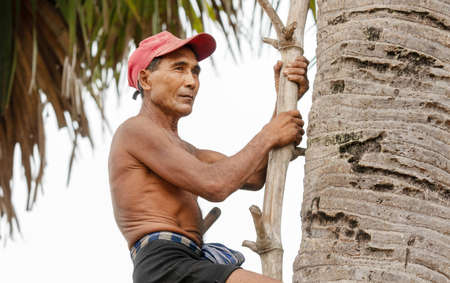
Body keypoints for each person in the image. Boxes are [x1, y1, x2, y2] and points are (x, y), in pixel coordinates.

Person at [108, 31, 309, 283]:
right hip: (165, 266)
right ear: (146, 80)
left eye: (195, 71)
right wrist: (270, 133)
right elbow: (216, 185)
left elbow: (255, 175)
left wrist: (285, 100)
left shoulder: (189, 153)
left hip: (189, 262)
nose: (191, 81)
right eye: (179, 69)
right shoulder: (134, 131)